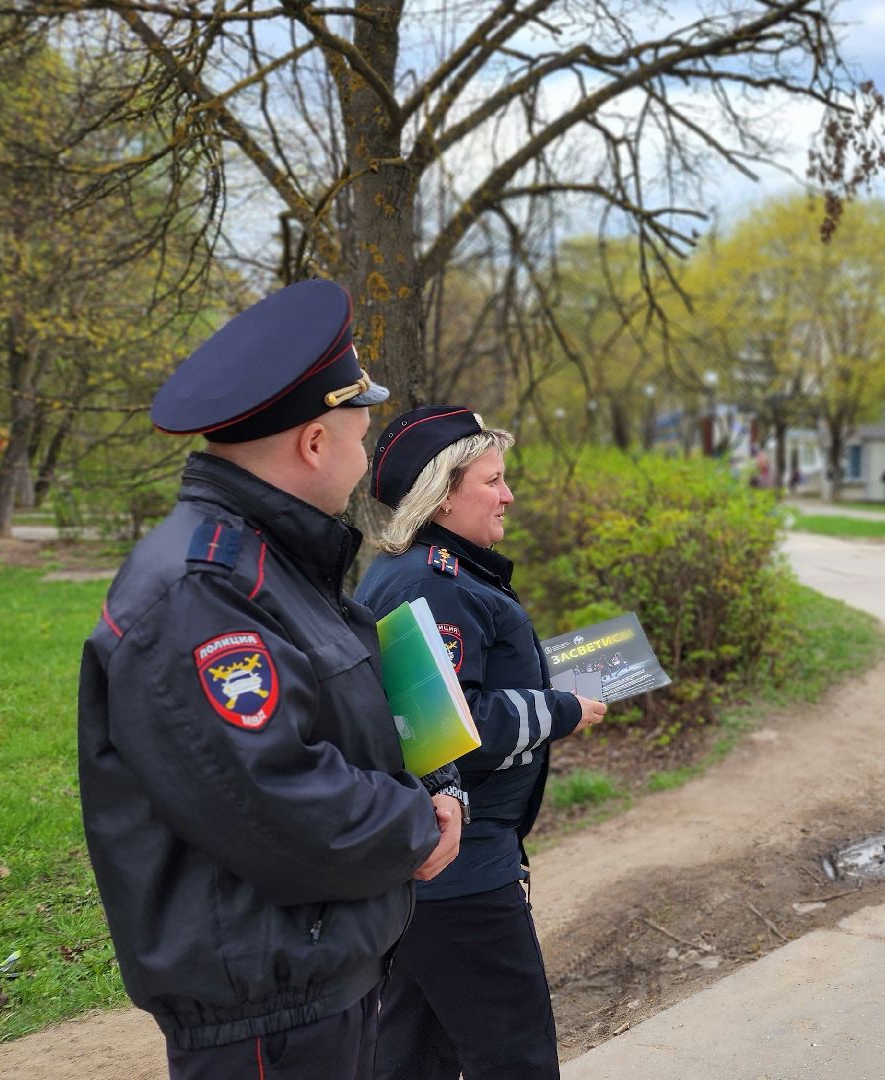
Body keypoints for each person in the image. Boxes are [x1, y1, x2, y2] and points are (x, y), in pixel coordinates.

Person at [78, 279, 464, 1080]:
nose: (364, 461)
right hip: (269, 1015)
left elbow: (349, 717)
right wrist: (416, 829)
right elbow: (277, 801)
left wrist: (441, 786)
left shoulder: (272, 563)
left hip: (316, 976)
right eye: (359, 437)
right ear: (315, 444)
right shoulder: (201, 592)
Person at [356, 406, 607, 1080]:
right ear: (442, 496)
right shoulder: (435, 586)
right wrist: (562, 708)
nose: (508, 495)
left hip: (428, 866)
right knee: (514, 1056)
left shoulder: (419, 571)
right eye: (493, 481)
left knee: (408, 1055)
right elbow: (451, 730)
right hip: (462, 872)